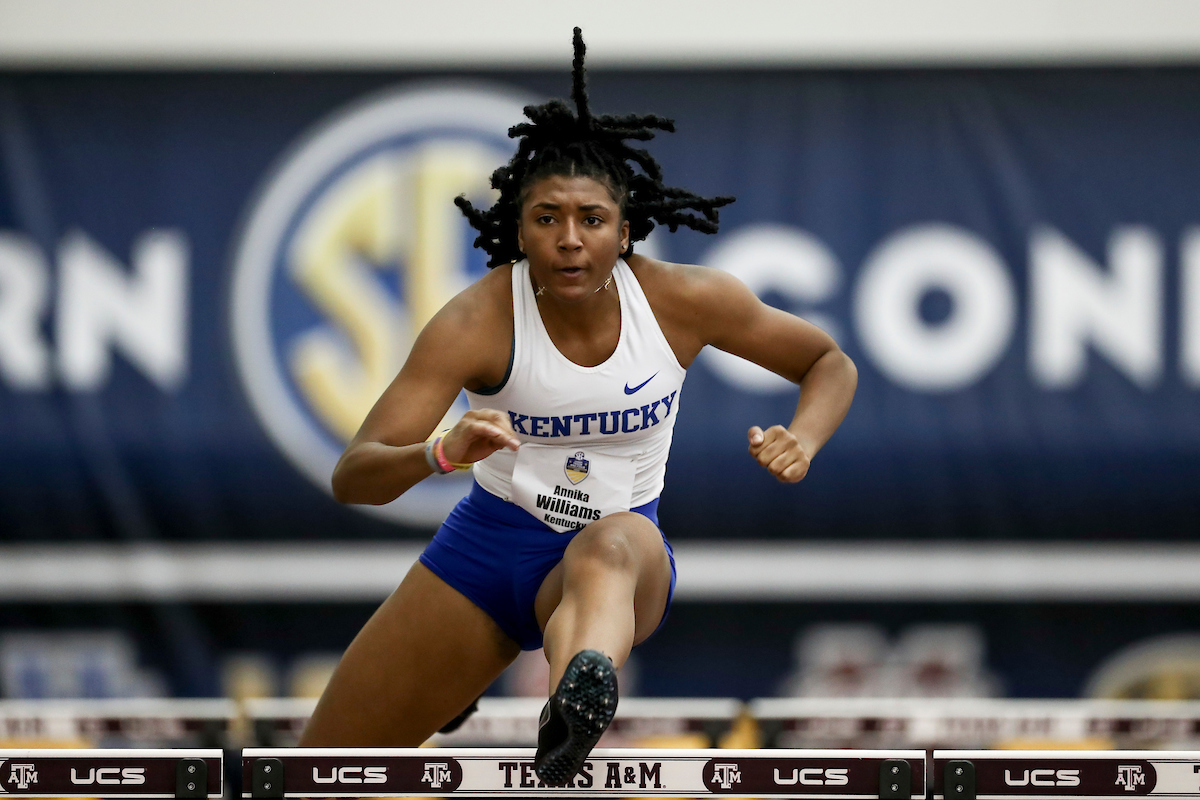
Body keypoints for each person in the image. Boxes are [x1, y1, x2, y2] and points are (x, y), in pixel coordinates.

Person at [298, 28, 858, 786]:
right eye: (547, 219)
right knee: (312, 777)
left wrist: (806, 438)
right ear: (517, 231)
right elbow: (354, 476)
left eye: (591, 220)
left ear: (625, 233)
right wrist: (438, 453)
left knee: (608, 545)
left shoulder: (685, 301)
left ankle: (575, 701)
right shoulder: (475, 323)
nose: (569, 241)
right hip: (488, 552)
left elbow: (827, 362)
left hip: (620, 558)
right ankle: (478, 682)